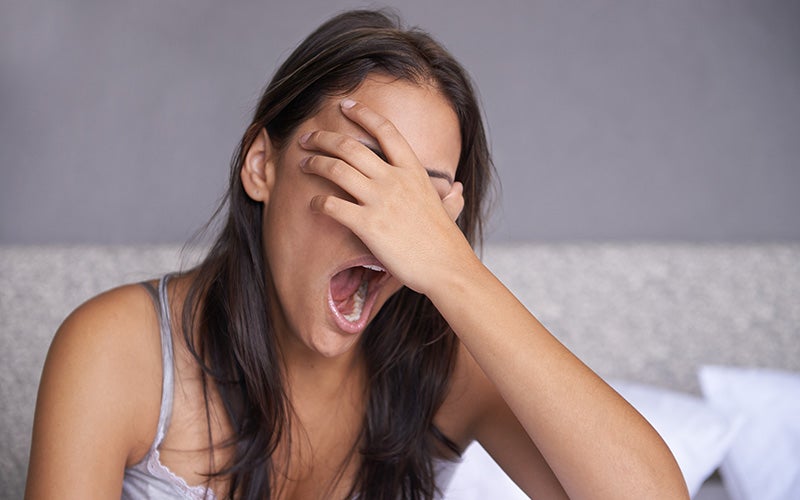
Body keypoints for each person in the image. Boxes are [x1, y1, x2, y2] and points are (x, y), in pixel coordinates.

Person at [25, 9, 688, 500]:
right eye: (361, 175)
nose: (386, 233)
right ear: (263, 164)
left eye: (417, 206)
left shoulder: (444, 367)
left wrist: (453, 271)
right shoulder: (118, 350)